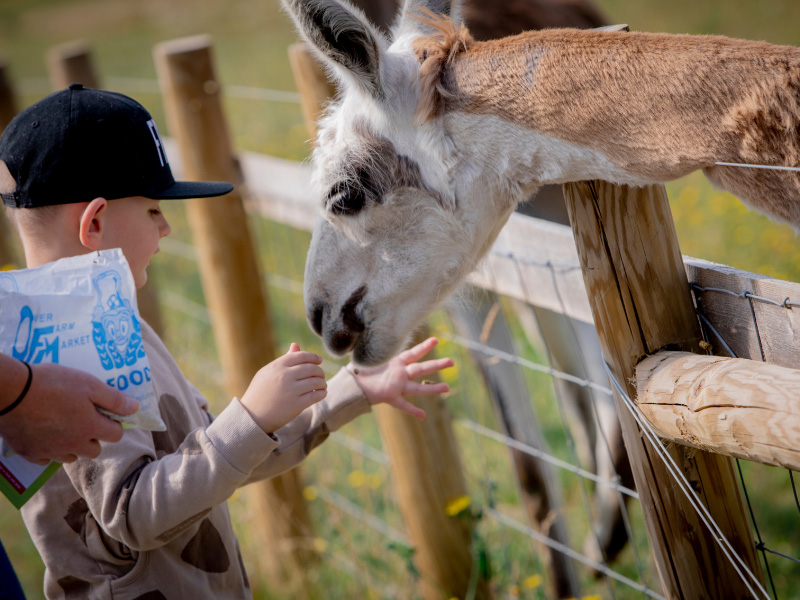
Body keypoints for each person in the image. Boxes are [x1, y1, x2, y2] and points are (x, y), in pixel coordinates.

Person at [0, 84, 453, 599]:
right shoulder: (68, 358)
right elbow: (136, 514)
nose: (167, 227)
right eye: (153, 210)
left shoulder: (111, 329)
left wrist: (353, 390)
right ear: (96, 222)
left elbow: (218, 461)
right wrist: (251, 418)